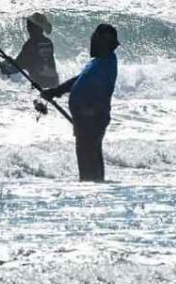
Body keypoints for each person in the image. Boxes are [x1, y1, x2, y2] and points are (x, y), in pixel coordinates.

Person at [41, 24, 120, 182]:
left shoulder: (107, 63)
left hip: (92, 117)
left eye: (96, 39)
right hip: (85, 118)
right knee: (90, 153)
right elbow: (79, 81)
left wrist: (91, 110)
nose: (93, 41)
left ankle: (92, 188)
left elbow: (103, 89)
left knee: (88, 155)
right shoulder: (98, 62)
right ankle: (96, 187)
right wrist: (56, 91)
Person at [0, 12, 60, 88]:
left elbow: (17, 67)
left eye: (30, 25)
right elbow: (35, 61)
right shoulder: (48, 42)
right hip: (54, 83)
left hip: (40, 85)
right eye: (28, 24)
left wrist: (5, 67)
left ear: (37, 28)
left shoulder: (30, 45)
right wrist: (13, 62)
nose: (28, 27)